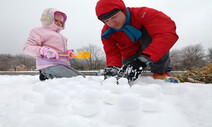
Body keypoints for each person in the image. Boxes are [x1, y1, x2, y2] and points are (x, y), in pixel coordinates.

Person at [95, 0, 179, 82]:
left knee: (154, 36)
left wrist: (142, 61)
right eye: (106, 21)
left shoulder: (144, 14)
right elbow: (112, 52)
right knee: (126, 75)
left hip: (150, 48)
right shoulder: (106, 32)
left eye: (114, 17)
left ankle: (160, 73)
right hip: (129, 54)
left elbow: (167, 34)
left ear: (123, 10)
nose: (112, 23)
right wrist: (113, 67)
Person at [23, 8, 84, 81]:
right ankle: (45, 74)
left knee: (82, 78)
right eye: (56, 20)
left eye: (61, 22)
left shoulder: (62, 37)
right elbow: (27, 48)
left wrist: (68, 52)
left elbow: (59, 50)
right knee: (75, 80)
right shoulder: (39, 31)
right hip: (48, 64)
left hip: (63, 64)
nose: (59, 23)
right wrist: (42, 51)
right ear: (47, 20)